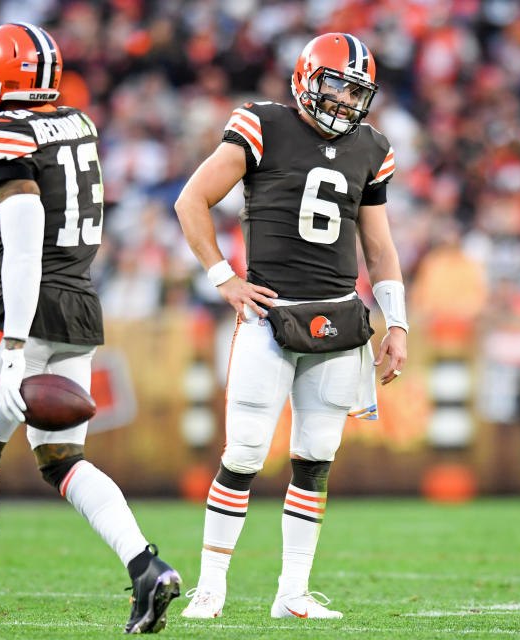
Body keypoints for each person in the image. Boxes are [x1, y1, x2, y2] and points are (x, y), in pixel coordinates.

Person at [0, 23, 180, 634]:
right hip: (79, 302)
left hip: (25, 307)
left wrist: (15, 346)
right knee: (61, 459)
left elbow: (24, 246)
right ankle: (145, 566)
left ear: (0, 74)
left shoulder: (5, 130)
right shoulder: (78, 123)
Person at [175, 33, 409, 620]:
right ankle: (211, 588)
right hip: (268, 313)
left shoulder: (371, 147)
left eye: (356, 91)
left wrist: (398, 322)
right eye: (336, 84)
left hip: (338, 318)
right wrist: (224, 277)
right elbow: (190, 200)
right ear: (307, 77)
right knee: (246, 452)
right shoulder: (263, 123)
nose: (345, 101)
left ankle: (293, 593)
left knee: (315, 458)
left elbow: (379, 249)